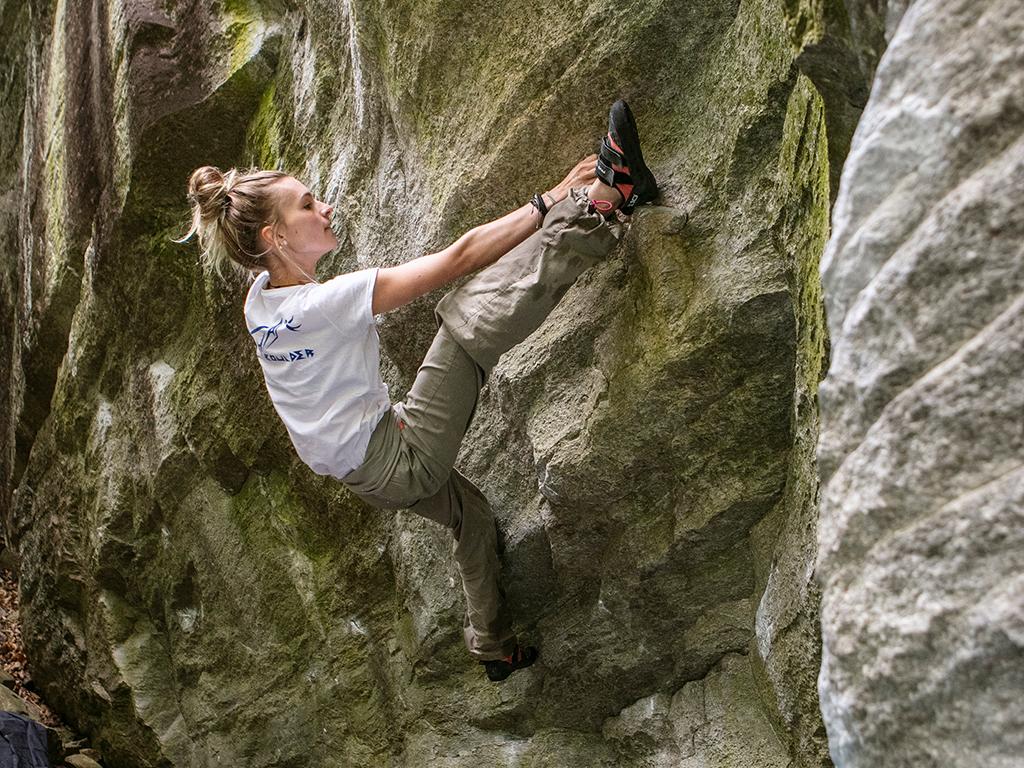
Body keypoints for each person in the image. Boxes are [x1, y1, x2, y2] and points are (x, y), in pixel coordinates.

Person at [177, 100, 658, 682]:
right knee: (465, 322)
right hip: (396, 456)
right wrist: (551, 197)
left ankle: (492, 643)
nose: (325, 206)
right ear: (275, 236)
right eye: (308, 204)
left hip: (364, 477)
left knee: (471, 516)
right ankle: (609, 200)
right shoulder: (323, 305)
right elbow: (459, 257)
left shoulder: (261, 300)